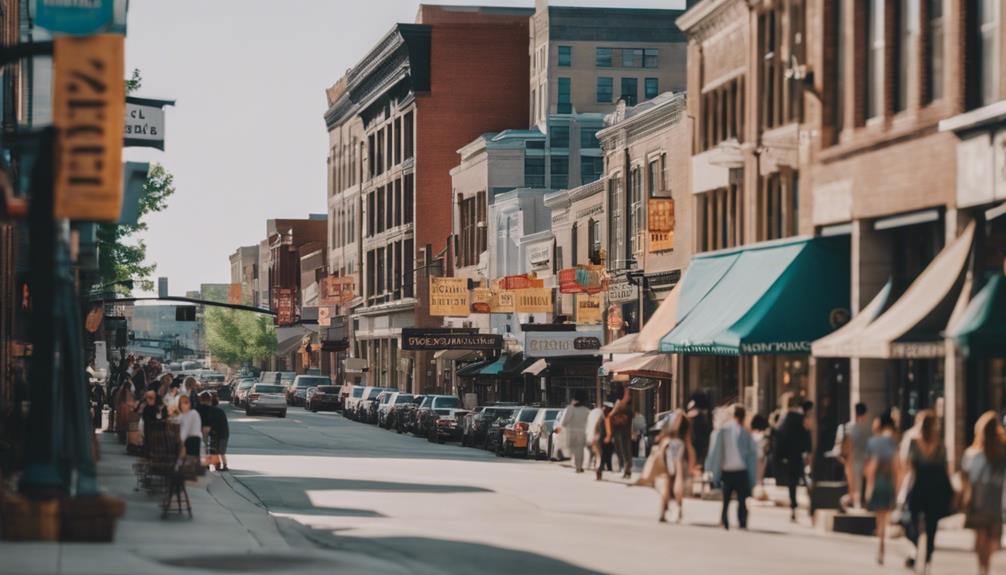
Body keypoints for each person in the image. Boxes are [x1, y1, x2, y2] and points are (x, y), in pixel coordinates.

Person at [902, 409, 953, 571]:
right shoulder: (940, 443)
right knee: (932, 524)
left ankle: (916, 548)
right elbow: (946, 467)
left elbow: (907, 464)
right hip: (935, 488)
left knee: (910, 518)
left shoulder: (913, 440)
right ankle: (928, 559)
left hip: (917, 484)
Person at [961, 411, 1006, 575]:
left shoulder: (972, 454)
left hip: (977, 500)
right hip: (994, 502)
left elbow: (965, 477)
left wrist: (963, 497)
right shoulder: (1001, 454)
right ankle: (985, 568)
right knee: (991, 539)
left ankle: (982, 569)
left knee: (980, 537)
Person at [705, 404, 758, 530]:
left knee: (726, 499)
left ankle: (724, 521)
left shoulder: (722, 431)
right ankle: (742, 521)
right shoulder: (745, 433)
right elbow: (752, 455)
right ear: (743, 417)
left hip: (726, 470)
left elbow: (714, 452)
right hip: (741, 470)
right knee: (742, 499)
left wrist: (710, 469)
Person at [864, 410, 900, 566]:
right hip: (890, 481)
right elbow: (898, 467)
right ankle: (882, 542)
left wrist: (868, 487)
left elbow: (869, 467)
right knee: (887, 515)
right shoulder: (895, 442)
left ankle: (881, 545)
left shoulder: (873, 442)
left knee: (880, 517)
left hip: (877, 482)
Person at [774, 393, 812, 522]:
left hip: (789, 456)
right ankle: (811, 505)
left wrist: (778, 457)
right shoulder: (802, 418)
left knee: (792, 482)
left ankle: (793, 506)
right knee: (806, 479)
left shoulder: (783, 420)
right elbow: (807, 435)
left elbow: (779, 439)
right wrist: (808, 451)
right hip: (799, 454)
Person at [658, 410, 694, 524]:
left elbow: (661, 438)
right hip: (680, 450)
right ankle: (678, 509)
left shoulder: (669, 426)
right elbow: (688, 444)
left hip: (668, 450)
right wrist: (692, 463)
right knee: (679, 479)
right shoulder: (685, 425)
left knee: (667, 481)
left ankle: (663, 511)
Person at [836, 402, 872, 509]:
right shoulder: (868, 429)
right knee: (860, 485)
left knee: (853, 485)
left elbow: (844, 446)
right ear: (865, 414)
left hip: (851, 460)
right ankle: (858, 503)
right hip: (865, 460)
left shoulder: (848, 427)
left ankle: (853, 503)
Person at [558, 393, 590, 473]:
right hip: (582, 432)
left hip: (571, 432)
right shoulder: (586, 410)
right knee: (580, 450)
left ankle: (577, 465)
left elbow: (565, 422)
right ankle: (579, 466)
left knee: (575, 450)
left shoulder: (570, 408)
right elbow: (588, 422)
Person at [608, 384, 634, 479]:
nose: (629, 395)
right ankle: (626, 470)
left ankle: (627, 471)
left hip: (625, 430)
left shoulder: (627, 404)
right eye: (627, 393)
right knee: (623, 451)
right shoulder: (619, 403)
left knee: (626, 451)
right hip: (620, 430)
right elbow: (611, 415)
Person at [200, 392, 230, 471]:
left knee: (216, 450)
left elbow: (212, 422)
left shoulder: (212, 411)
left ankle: (219, 464)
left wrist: (210, 429)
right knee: (220, 451)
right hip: (222, 433)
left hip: (217, 433)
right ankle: (221, 465)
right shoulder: (219, 411)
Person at [176, 395, 203, 462]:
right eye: (182, 403)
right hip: (187, 439)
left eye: (186, 402)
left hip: (194, 438)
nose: (184, 405)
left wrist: (181, 440)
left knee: (192, 459)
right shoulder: (182, 415)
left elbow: (186, 428)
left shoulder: (193, 413)